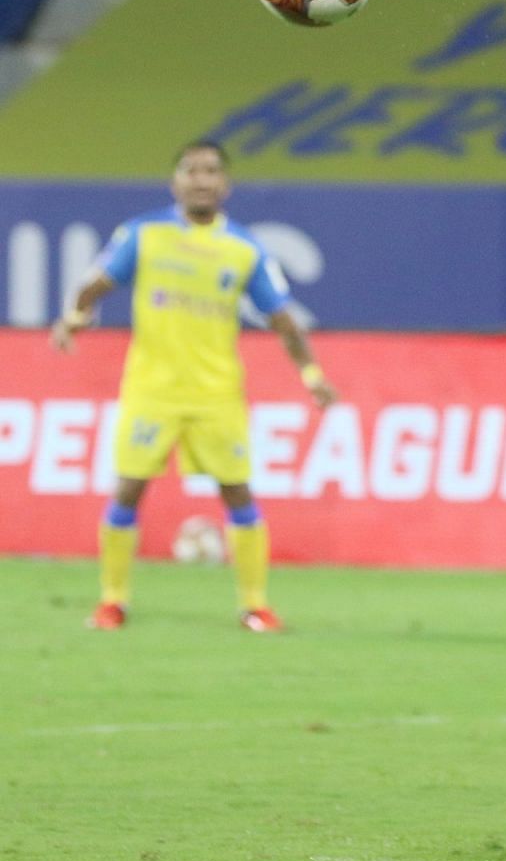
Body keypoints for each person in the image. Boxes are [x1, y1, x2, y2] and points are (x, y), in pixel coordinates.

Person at [50, 140, 335, 633]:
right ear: (175, 181)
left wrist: (312, 377)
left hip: (215, 393)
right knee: (128, 489)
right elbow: (95, 282)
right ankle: (112, 601)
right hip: (151, 389)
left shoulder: (244, 249)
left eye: (211, 171)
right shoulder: (144, 235)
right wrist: (75, 318)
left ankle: (255, 605)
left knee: (237, 493)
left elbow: (284, 321)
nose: (201, 179)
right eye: (191, 170)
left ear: (226, 185)